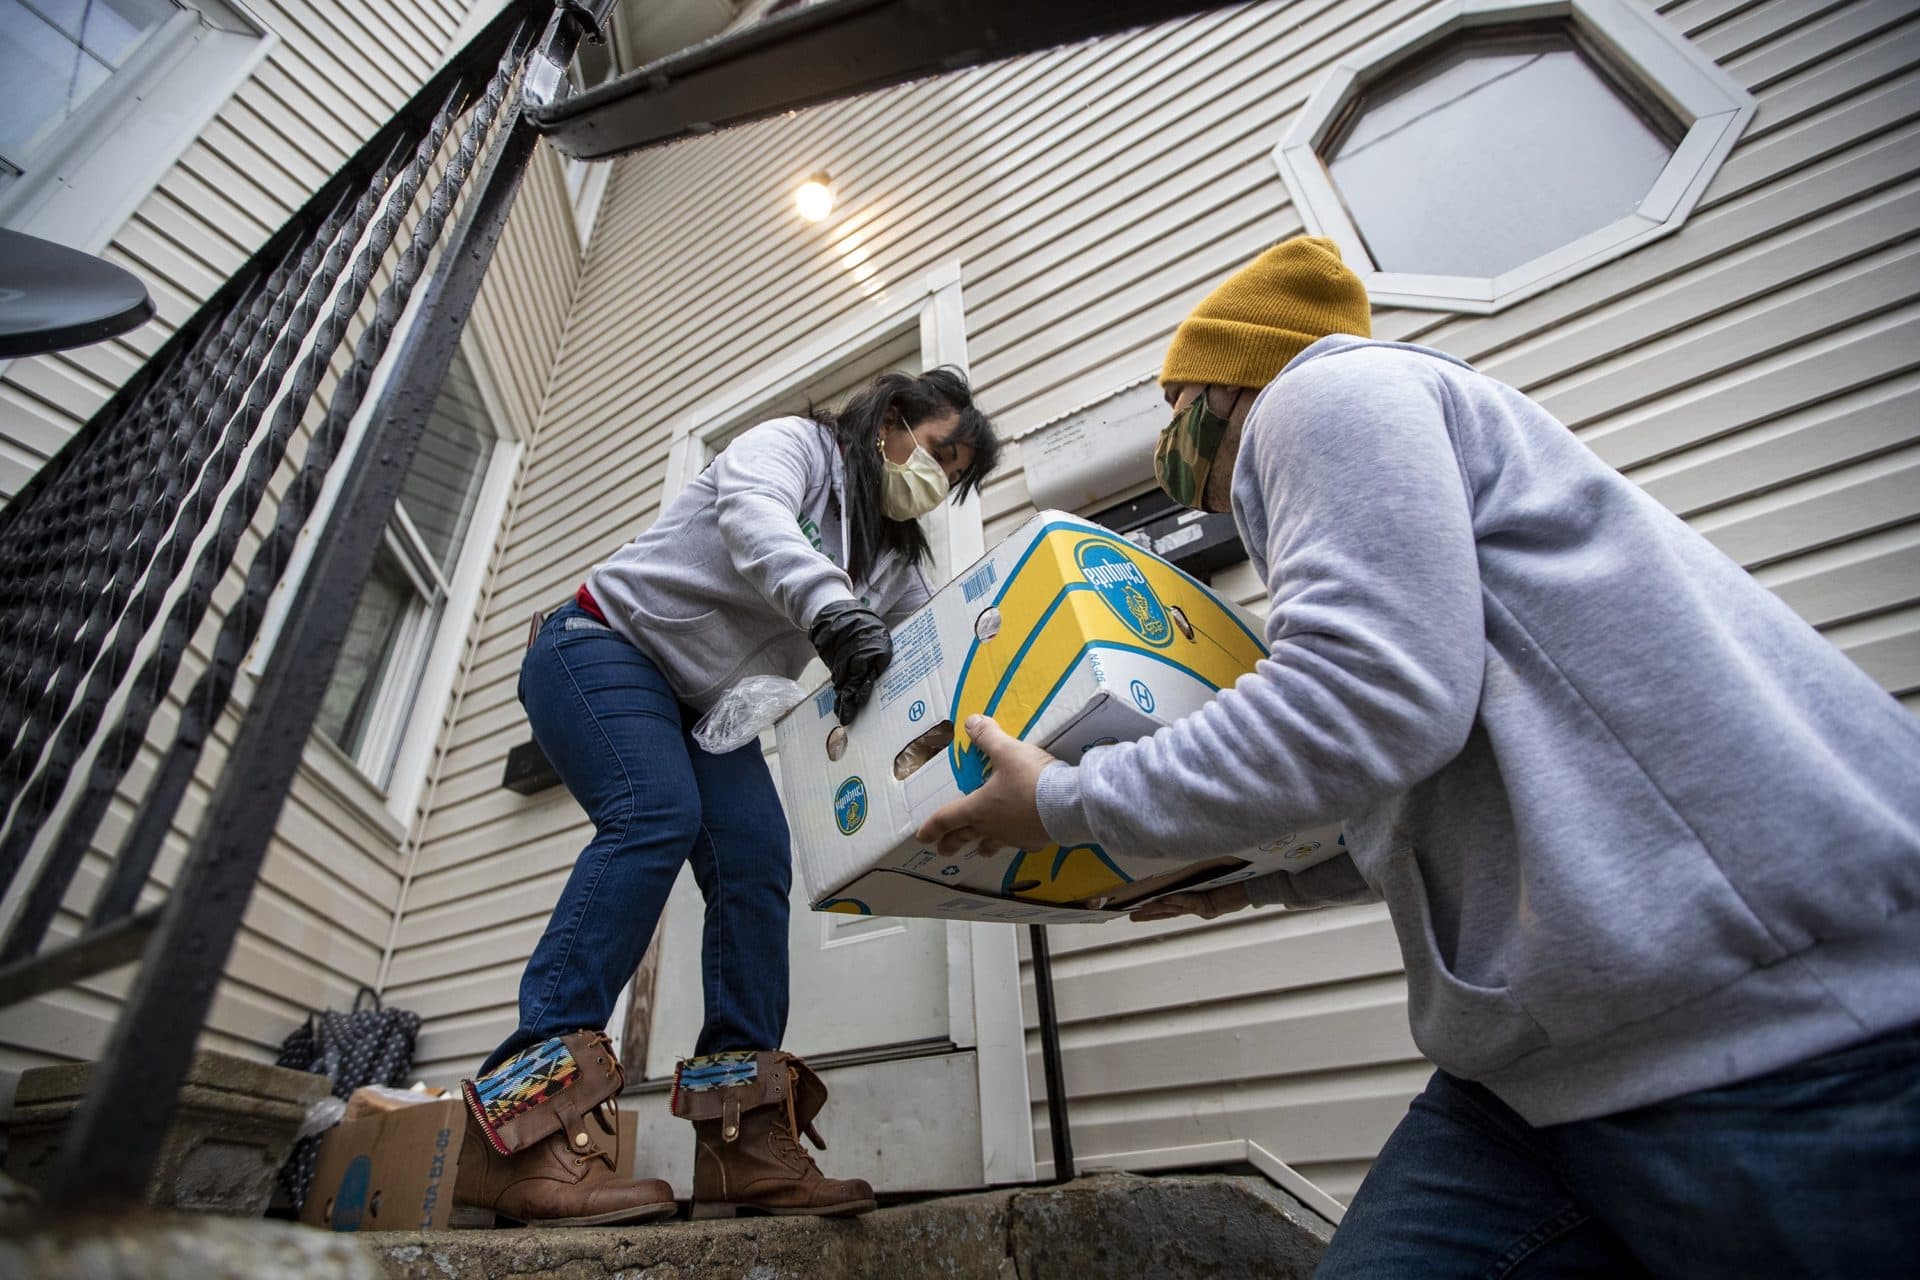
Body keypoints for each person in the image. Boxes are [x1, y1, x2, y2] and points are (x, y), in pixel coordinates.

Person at [918, 238, 1920, 1277]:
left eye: (1176, 406)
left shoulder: (1324, 397)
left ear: (1227, 381)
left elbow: (1371, 700)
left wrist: (1066, 799)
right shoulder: (1358, 448)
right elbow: (1441, 769)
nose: (1168, 436)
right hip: (1535, 1075)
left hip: (1772, 1030)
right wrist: (1265, 884)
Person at [455, 367, 999, 1227]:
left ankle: (740, 1143)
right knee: (653, 812)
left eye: (954, 474)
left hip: (708, 707)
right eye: (937, 451)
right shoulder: (796, 447)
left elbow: (929, 652)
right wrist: (830, 612)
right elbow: (756, 523)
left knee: (754, 862)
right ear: (892, 419)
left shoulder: (886, 558)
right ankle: (518, 1133)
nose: (936, 480)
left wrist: (982, 746)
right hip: (600, 642)